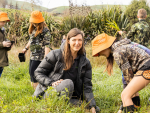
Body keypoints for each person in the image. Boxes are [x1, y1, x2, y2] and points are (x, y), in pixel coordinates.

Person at [33, 28, 100, 113]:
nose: (77, 43)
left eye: (80, 40)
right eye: (74, 40)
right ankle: (54, 105)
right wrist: (51, 82)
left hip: (71, 96)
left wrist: (92, 106)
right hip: (51, 91)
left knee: (95, 109)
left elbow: (87, 87)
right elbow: (38, 72)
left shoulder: (85, 62)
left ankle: (66, 105)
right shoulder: (55, 54)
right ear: (68, 41)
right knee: (68, 83)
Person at [92, 33, 150, 113]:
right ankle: (137, 107)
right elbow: (129, 79)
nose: (99, 55)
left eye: (99, 52)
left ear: (105, 47)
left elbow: (128, 78)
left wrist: (122, 107)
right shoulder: (123, 44)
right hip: (146, 65)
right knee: (129, 91)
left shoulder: (117, 53)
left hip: (147, 67)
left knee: (125, 95)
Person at [118, 8, 150, 112]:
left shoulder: (135, 26)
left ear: (137, 16)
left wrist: (121, 33)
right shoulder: (149, 26)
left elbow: (127, 39)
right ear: (146, 16)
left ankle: (129, 100)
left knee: (129, 77)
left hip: (136, 56)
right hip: (147, 53)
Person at [22, 11, 51, 90]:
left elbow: (47, 45)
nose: (33, 23)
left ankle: (38, 92)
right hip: (33, 55)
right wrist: (26, 48)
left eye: (35, 21)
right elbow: (30, 40)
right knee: (31, 72)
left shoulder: (45, 31)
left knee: (35, 73)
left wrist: (46, 58)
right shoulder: (34, 28)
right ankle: (34, 90)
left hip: (40, 56)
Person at [0, 12, 12, 77]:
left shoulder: (2, 29)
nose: (4, 23)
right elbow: (2, 43)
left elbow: (3, 40)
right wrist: (2, 44)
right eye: (2, 21)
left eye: (5, 21)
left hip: (1, 59)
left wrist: (8, 45)